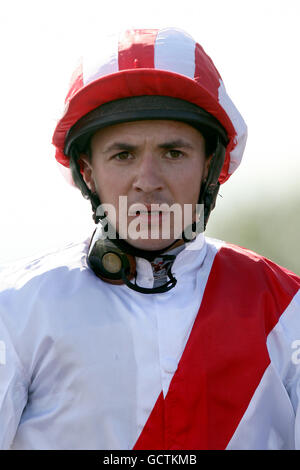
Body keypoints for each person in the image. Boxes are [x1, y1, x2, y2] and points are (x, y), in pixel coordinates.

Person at [0, 27, 300, 451]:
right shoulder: (15, 309)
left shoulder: (287, 306)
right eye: (123, 155)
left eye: (173, 153)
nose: (148, 181)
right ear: (87, 172)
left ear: (209, 166)